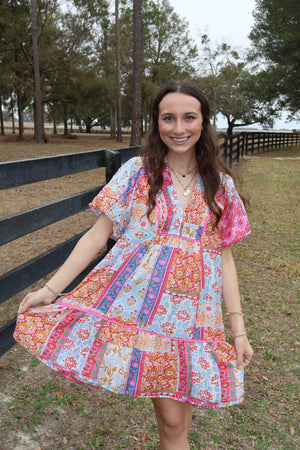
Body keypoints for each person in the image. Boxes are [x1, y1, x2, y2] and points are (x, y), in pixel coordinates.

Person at [15, 80, 254, 450]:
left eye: (189, 118)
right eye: (168, 118)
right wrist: (50, 290)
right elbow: (96, 237)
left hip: (196, 321)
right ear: (156, 123)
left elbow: (223, 255)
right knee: (173, 422)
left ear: (203, 122)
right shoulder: (136, 173)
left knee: (178, 425)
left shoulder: (220, 186)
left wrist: (237, 329)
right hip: (145, 315)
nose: (178, 128)